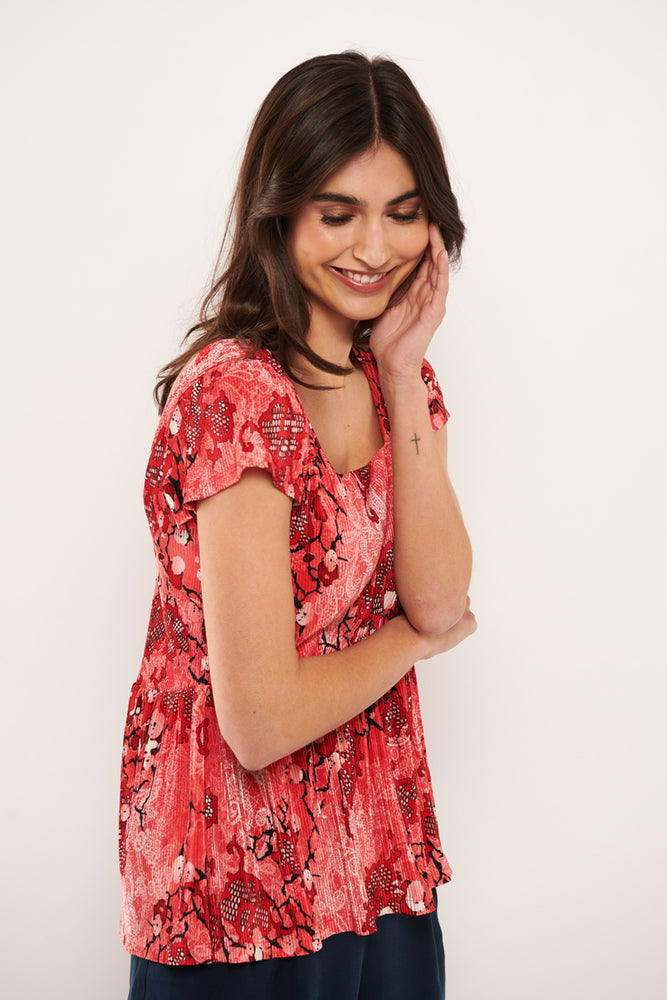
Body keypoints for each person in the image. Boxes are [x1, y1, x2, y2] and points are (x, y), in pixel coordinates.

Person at [119, 51, 476, 1000]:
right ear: (278, 213)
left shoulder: (394, 377)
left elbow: (442, 595)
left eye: (403, 212)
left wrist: (399, 371)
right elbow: (261, 723)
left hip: (373, 851)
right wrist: (406, 642)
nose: (375, 246)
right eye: (338, 213)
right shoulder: (237, 397)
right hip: (237, 878)